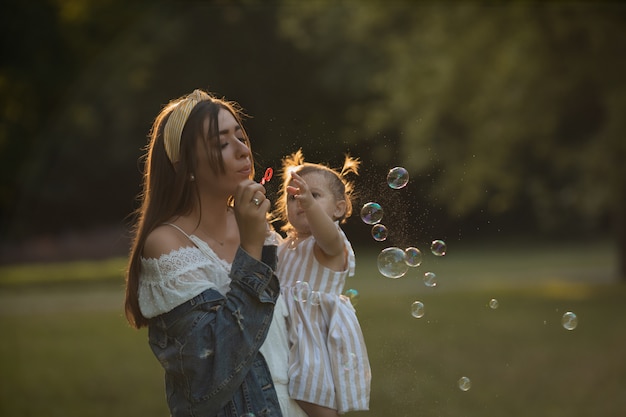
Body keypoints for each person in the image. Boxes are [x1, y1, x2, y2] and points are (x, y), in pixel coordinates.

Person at [124, 89, 303, 416]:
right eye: (222, 143)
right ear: (185, 167)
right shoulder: (167, 244)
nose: (242, 150)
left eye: (241, 136)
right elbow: (211, 373)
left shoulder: (256, 225)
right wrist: (250, 249)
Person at [274, 150, 371, 417]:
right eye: (293, 197)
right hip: (286, 333)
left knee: (315, 398)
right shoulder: (284, 247)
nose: (301, 201)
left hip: (314, 336)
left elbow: (328, 236)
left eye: (314, 196)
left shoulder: (329, 243)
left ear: (339, 208)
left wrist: (310, 206)